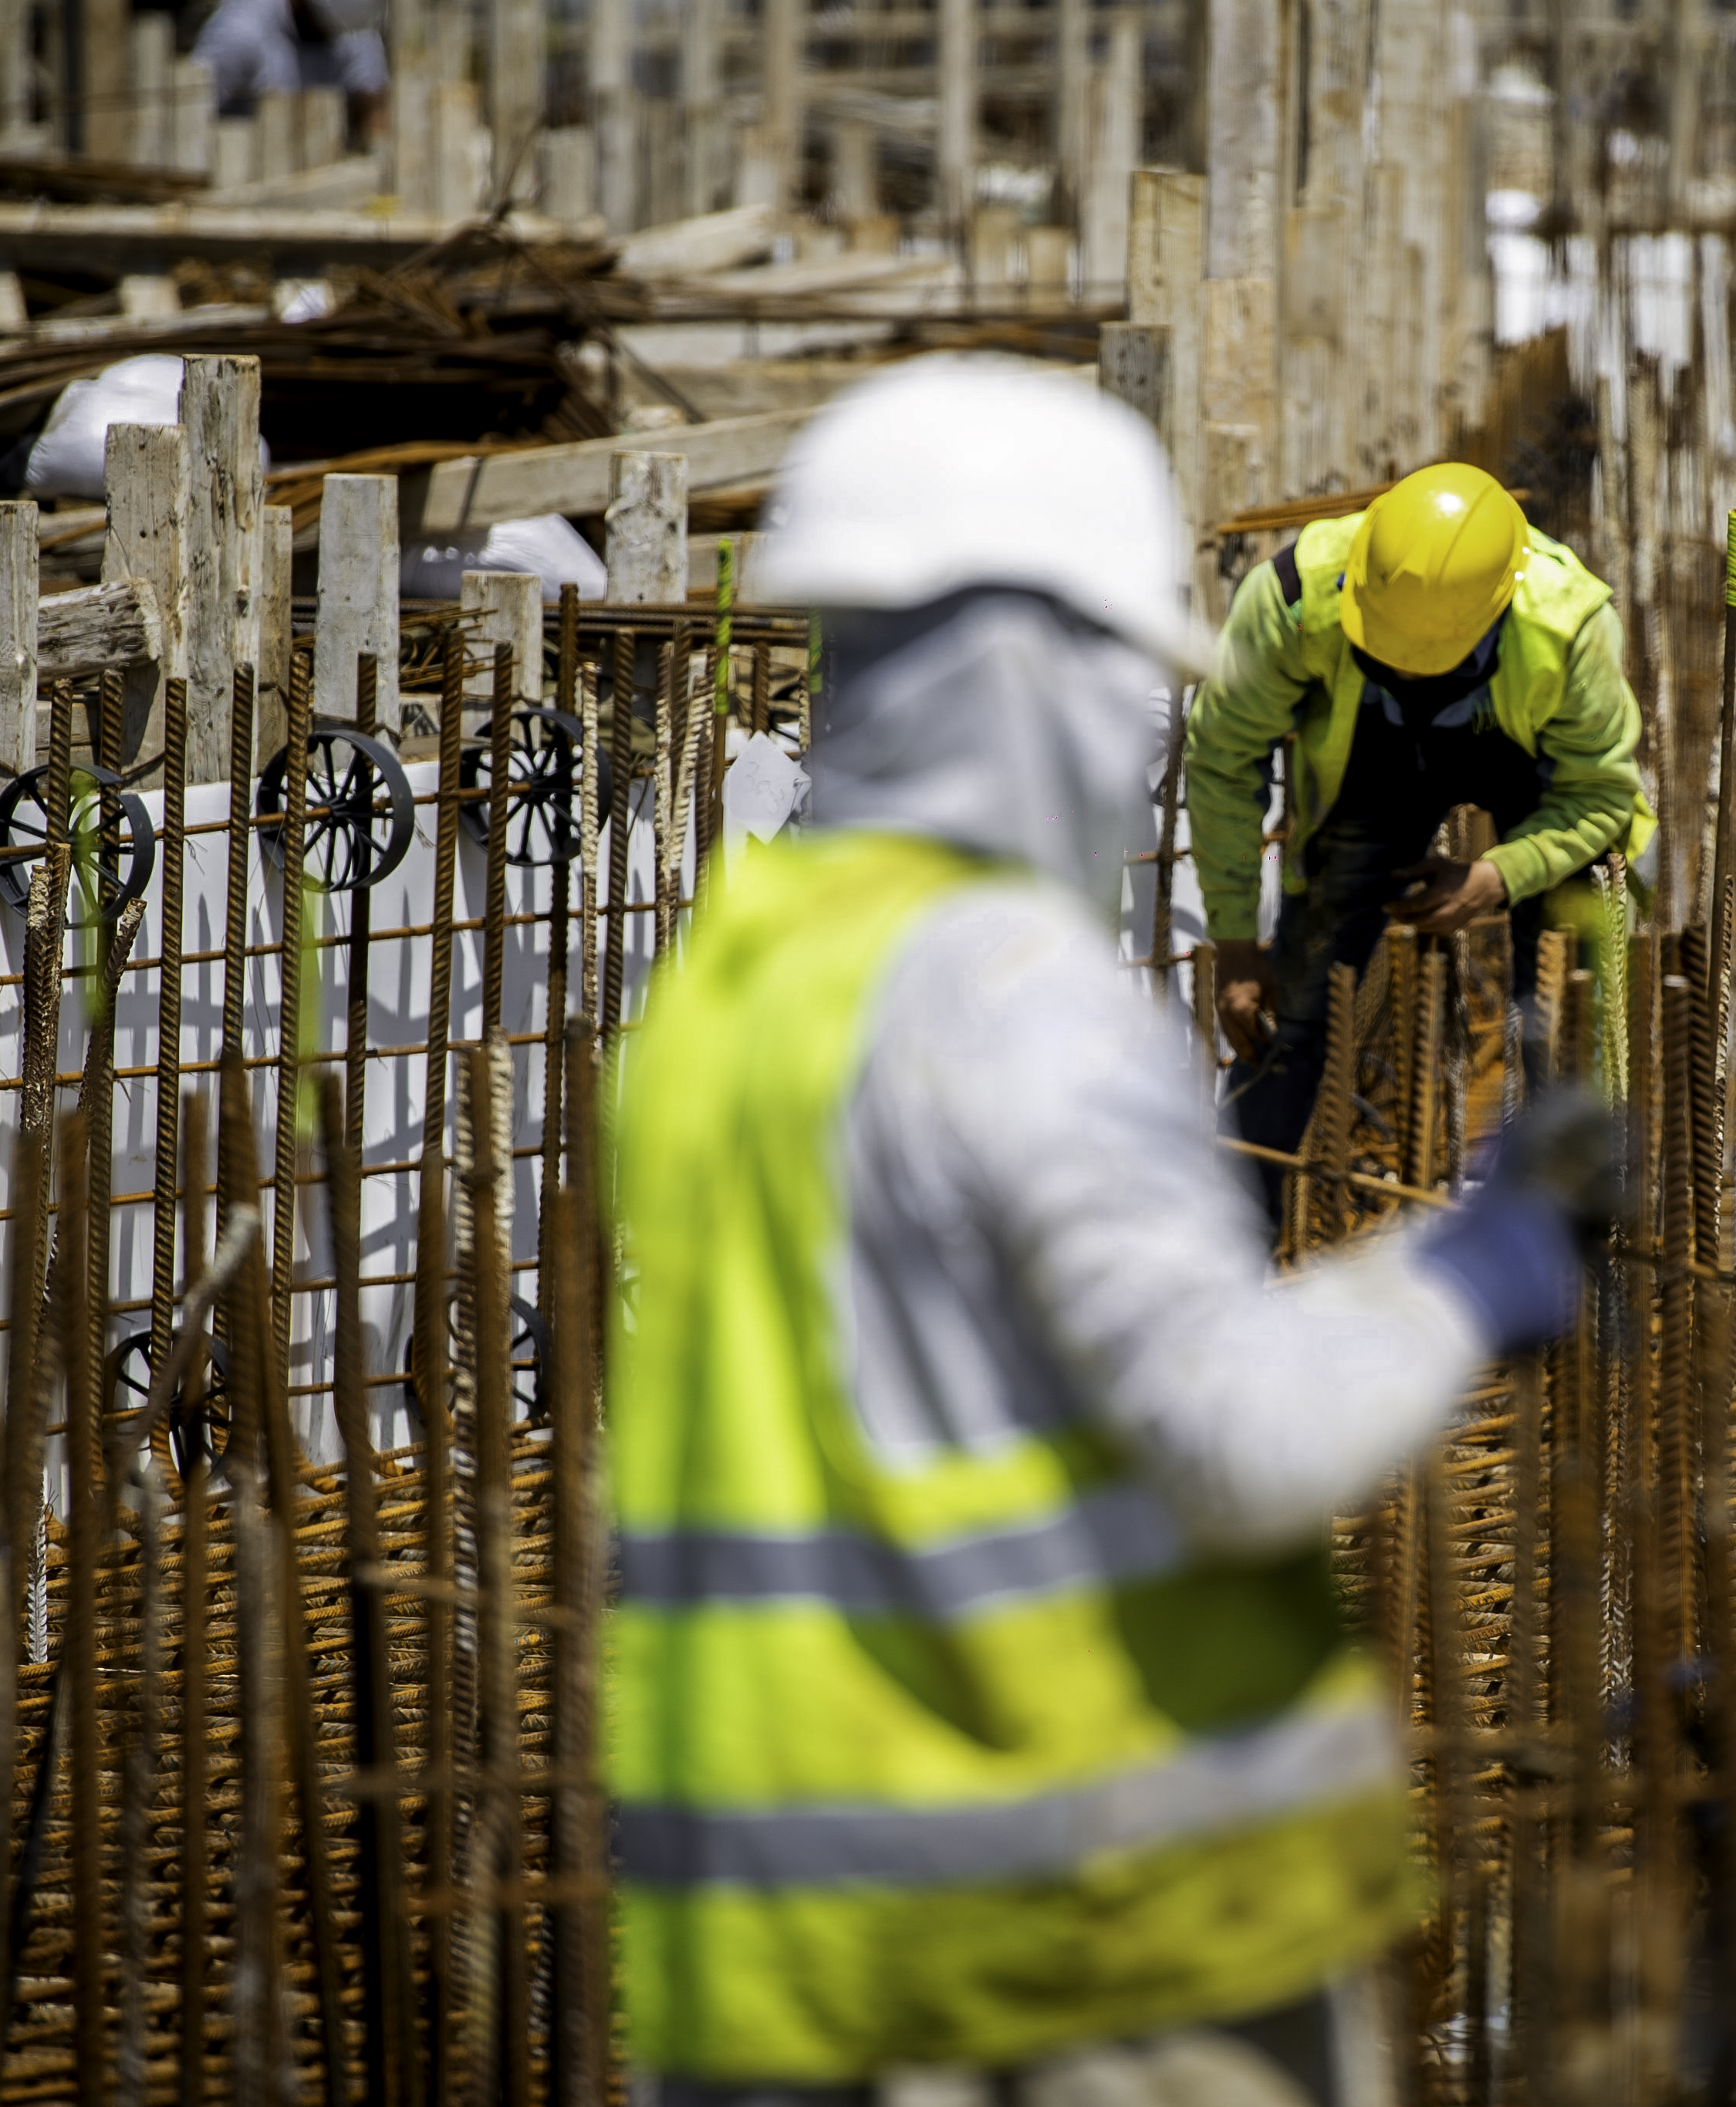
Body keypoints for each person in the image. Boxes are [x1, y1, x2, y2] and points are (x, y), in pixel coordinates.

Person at [603, 356, 1611, 2107]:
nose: (1134, 733)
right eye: (1118, 681)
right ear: (1032, 668)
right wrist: (1477, 1264)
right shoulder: (1013, 992)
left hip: (775, 1938)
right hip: (1081, 1937)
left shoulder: (726, 987)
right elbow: (1235, 1431)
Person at [1184, 463, 1651, 1190]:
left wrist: (1496, 874)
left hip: (1536, 782)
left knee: (1566, 1010)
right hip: (1373, 760)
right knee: (1299, 999)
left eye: (1422, 661)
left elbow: (1600, 795)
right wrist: (1237, 942)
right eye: (1382, 651)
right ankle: (1240, 1223)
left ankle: (1565, 1221)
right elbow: (1223, 759)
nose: (1402, 669)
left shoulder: (1567, 625)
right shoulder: (1293, 598)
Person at [191, 0, 388, 139]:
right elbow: (190, 122)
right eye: (322, 29)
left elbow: (374, 111)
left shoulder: (356, 29)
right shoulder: (239, 37)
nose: (332, 40)